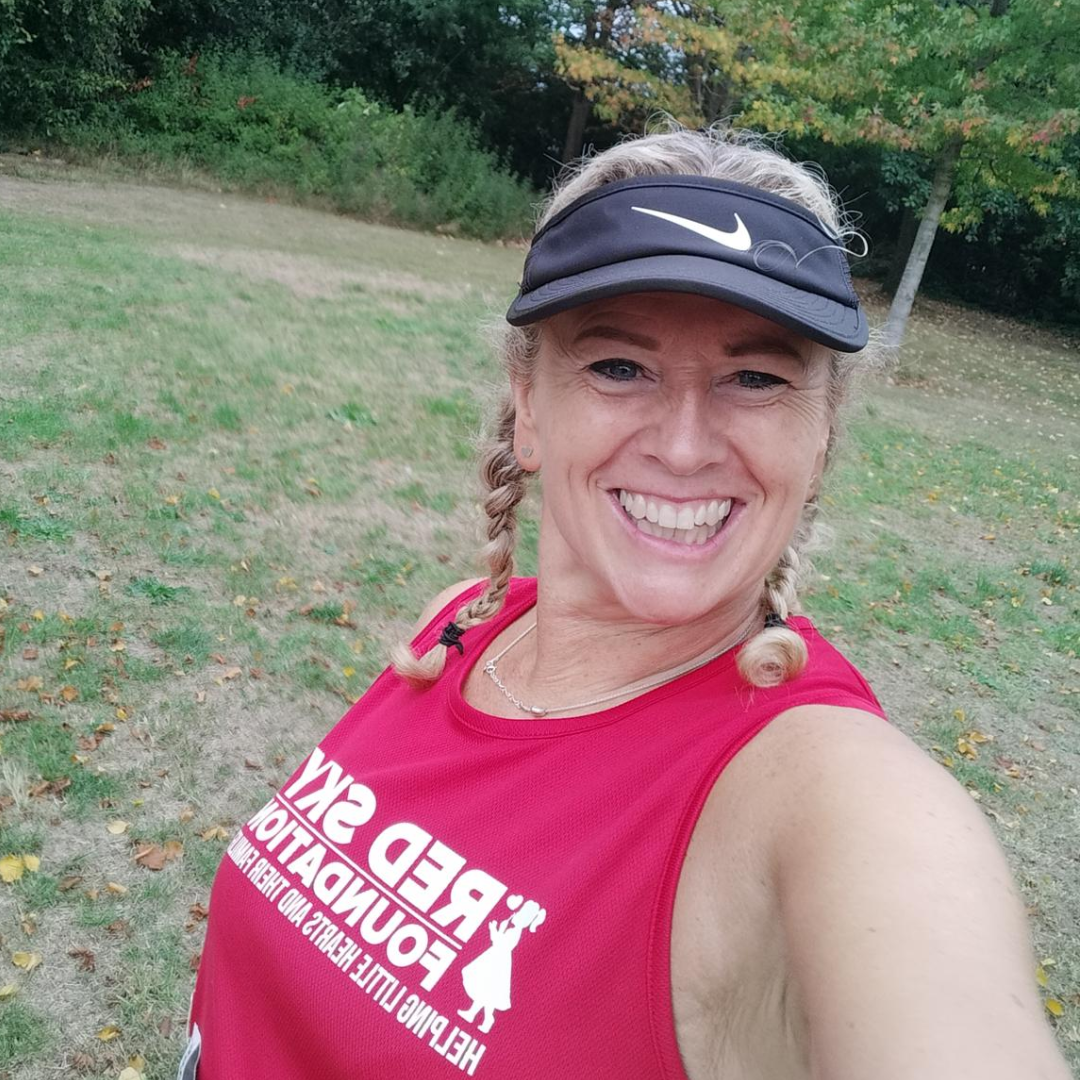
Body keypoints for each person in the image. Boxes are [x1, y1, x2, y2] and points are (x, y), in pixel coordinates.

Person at [180, 126, 1070, 1080]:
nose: (684, 446)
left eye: (756, 378)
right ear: (528, 407)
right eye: (617, 366)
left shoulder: (835, 802)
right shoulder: (461, 628)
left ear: (820, 439)